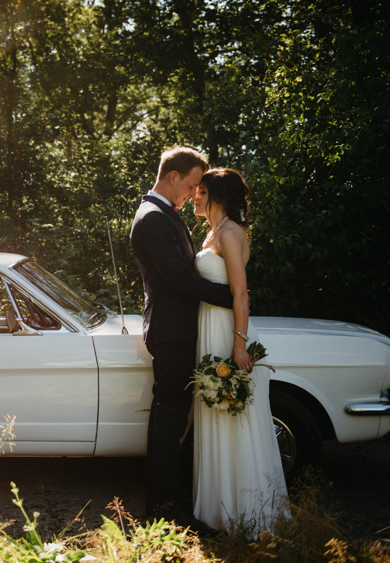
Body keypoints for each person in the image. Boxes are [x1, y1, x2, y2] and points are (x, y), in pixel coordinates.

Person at [130, 146, 235, 525]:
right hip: (172, 331)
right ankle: (163, 510)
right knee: (169, 418)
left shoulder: (163, 215)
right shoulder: (153, 217)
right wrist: (232, 297)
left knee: (175, 417)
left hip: (180, 328)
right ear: (172, 177)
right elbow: (178, 278)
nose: (195, 193)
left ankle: (171, 503)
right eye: (192, 184)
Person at [191, 167, 289, 533]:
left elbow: (241, 294)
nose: (194, 197)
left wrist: (238, 345)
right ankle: (218, 511)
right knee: (216, 416)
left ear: (216, 197)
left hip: (227, 331)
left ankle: (248, 514)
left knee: (235, 419)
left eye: (200, 192)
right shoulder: (212, 233)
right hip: (209, 328)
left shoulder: (230, 233)